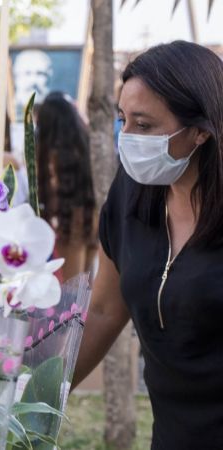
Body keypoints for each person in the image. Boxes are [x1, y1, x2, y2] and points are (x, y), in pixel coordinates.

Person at [73, 41, 223, 449]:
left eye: (144, 125)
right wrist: (33, 394)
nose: (128, 139)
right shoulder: (130, 196)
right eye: (123, 120)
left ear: (200, 131)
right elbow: (104, 310)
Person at [35, 92, 96, 281]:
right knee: (83, 284)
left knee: (70, 289)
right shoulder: (84, 143)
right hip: (89, 216)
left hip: (67, 220)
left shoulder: (51, 155)